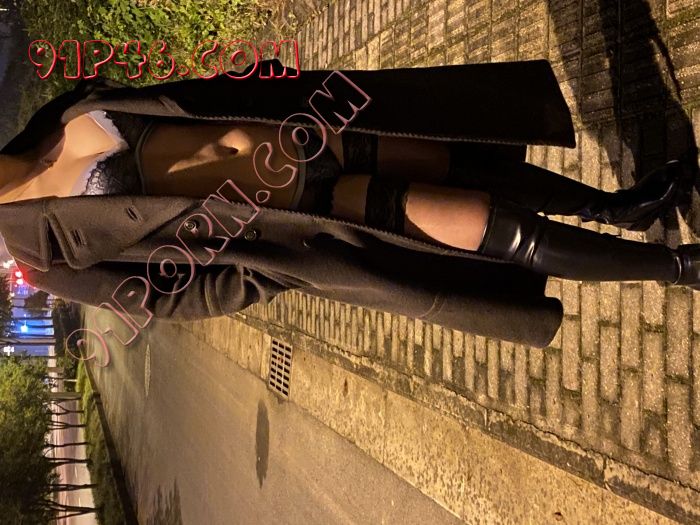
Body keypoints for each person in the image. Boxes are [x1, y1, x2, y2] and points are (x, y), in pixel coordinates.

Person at [0, 58, 695, 348]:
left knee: (471, 160)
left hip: (313, 125)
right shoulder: (47, 255)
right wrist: (269, 271)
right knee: (500, 232)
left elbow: (181, 101)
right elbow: (169, 298)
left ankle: (622, 207)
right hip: (313, 211)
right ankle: (679, 267)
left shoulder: (55, 116)